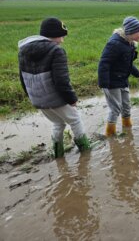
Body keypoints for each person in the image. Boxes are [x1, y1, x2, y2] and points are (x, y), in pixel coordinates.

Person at [18, 17, 91, 158]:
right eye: (61, 36)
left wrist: (31, 96)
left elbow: (22, 78)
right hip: (55, 98)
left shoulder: (23, 50)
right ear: (53, 34)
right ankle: (86, 152)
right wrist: (72, 99)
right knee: (75, 119)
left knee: (58, 123)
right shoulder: (56, 51)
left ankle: (58, 155)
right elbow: (62, 80)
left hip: (37, 99)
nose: (62, 40)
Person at [98, 16, 139, 136]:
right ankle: (110, 134)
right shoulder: (114, 44)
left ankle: (127, 128)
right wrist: (104, 84)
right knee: (115, 108)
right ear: (131, 32)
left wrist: (137, 74)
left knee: (126, 106)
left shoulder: (130, 44)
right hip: (111, 82)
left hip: (122, 80)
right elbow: (104, 63)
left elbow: (127, 63)